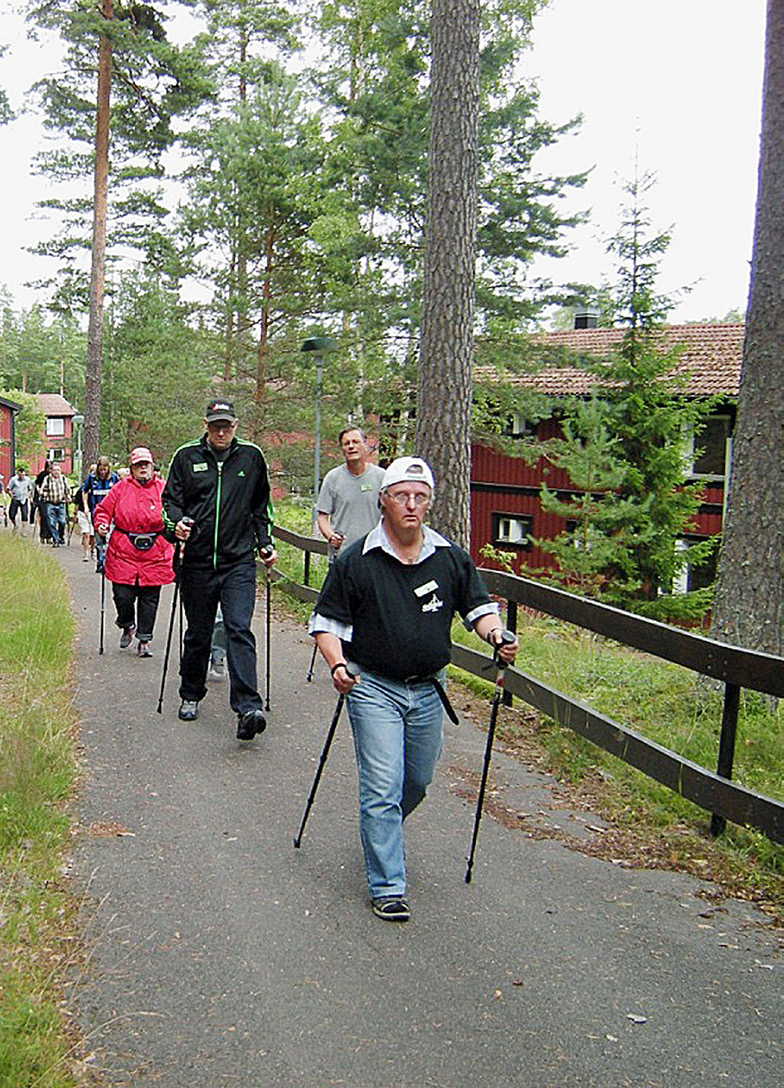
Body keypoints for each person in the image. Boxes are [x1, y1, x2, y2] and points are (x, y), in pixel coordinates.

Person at [309, 456, 518, 922]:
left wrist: (496, 635)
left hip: (429, 690)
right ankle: (388, 884)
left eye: (420, 497)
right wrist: (337, 664)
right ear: (384, 500)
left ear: (429, 504)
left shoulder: (449, 558)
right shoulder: (356, 559)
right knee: (382, 787)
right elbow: (326, 623)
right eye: (402, 495)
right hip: (372, 687)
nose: (411, 505)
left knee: (417, 781)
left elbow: (478, 608)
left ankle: (381, 829)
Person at [161, 399, 277, 739]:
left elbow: (261, 505)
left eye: (226, 425)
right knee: (198, 632)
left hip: (238, 560)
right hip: (196, 560)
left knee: (238, 628)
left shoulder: (251, 457)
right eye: (215, 426)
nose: (221, 431)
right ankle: (190, 694)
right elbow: (170, 501)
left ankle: (248, 707)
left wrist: (265, 543)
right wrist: (175, 526)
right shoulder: (186, 456)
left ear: (236, 425)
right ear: (206, 426)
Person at [92, 447, 175, 657]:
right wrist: (101, 524)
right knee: (122, 595)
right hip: (124, 551)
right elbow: (103, 510)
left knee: (150, 597)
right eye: (139, 465)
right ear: (132, 468)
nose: (143, 468)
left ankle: (144, 639)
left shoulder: (164, 489)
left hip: (155, 551)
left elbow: (175, 512)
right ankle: (127, 624)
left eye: (146, 464)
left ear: (152, 467)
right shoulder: (120, 489)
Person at [316, 427, 385, 561]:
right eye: (346, 443)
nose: (351, 447)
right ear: (342, 449)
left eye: (355, 442)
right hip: (342, 556)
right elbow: (322, 517)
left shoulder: (382, 477)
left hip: (374, 555)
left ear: (365, 445)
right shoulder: (333, 478)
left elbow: (391, 514)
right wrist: (331, 536)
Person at [83, 457, 119, 571]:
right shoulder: (92, 478)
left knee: (110, 538)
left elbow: (120, 493)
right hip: (97, 512)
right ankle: (100, 562)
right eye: (101, 469)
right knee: (99, 539)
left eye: (105, 469)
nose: (103, 472)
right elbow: (84, 491)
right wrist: (86, 506)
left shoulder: (114, 478)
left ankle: (109, 562)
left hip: (112, 513)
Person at [38, 463, 72, 546]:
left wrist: (68, 496)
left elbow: (67, 489)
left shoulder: (63, 478)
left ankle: (60, 536)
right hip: (50, 503)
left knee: (62, 522)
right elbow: (42, 491)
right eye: (55, 470)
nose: (57, 472)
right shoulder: (47, 479)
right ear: (51, 471)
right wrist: (47, 496)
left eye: (58, 470)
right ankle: (56, 540)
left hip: (61, 503)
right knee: (51, 523)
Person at [7, 466, 33, 535]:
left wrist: (28, 495)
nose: (21, 476)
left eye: (23, 475)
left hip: (24, 498)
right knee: (12, 514)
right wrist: (11, 495)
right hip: (15, 498)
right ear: (18, 474)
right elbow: (9, 488)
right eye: (20, 475)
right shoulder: (13, 479)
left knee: (24, 514)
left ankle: (23, 530)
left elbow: (30, 489)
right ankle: (15, 525)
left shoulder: (27, 480)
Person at [72, 483, 93, 561]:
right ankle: (86, 553)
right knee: (86, 533)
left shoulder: (97, 488)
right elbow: (77, 503)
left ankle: (93, 550)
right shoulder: (81, 490)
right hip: (82, 513)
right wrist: (75, 514)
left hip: (94, 512)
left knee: (93, 535)